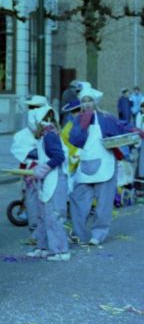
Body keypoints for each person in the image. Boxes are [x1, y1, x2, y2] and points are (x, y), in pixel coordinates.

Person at [69, 84, 141, 245]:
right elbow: (75, 140)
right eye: (84, 101)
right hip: (85, 166)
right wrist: (83, 125)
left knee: (104, 203)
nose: (87, 104)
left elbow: (121, 127)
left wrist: (136, 131)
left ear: (95, 102)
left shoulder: (104, 118)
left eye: (89, 100)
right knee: (78, 201)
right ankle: (79, 234)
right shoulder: (78, 120)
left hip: (105, 166)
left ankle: (98, 234)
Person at [25, 106, 70, 261]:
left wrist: (42, 169)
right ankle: (43, 247)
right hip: (47, 179)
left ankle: (61, 251)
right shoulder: (45, 136)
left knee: (54, 215)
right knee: (43, 215)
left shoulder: (50, 136)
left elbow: (59, 157)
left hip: (55, 179)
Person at [9, 95, 49, 242]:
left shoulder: (52, 131)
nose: (34, 111)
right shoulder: (21, 136)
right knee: (32, 204)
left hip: (50, 174)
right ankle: (35, 234)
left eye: (38, 107)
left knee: (48, 205)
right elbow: (22, 153)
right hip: (30, 176)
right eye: (31, 107)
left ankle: (49, 233)